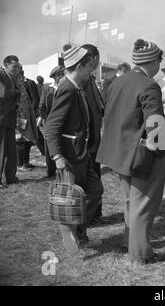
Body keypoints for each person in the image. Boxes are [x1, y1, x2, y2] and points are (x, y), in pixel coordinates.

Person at [97, 38, 165, 264]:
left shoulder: (116, 82)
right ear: (153, 61)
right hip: (141, 155)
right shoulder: (149, 85)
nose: (160, 66)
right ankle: (140, 253)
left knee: (129, 201)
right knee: (143, 204)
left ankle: (128, 241)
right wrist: (159, 152)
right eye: (160, 60)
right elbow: (155, 124)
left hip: (118, 152)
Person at [46, 43, 104, 254]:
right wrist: (57, 156)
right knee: (73, 196)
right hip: (71, 155)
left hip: (83, 151)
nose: (92, 70)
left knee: (95, 191)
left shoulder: (76, 86)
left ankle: (75, 229)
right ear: (80, 66)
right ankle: (71, 229)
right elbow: (51, 126)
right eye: (90, 67)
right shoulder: (68, 89)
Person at [82, 44, 105, 222]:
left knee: (95, 179)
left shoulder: (89, 79)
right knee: (90, 184)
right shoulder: (81, 80)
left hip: (94, 139)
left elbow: (98, 106)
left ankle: (95, 215)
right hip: (86, 142)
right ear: (95, 58)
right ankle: (86, 219)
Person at [37, 65, 65, 177]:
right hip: (50, 120)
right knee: (50, 145)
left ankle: (64, 170)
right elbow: (42, 105)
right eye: (62, 74)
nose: (64, 76)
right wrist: (44, 118)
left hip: (65, 120)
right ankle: (51, 171)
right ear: (57, 77)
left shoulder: (67, 87)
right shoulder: (47, 88)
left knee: (63, 144)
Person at [0, 55, 21, 188]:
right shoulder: (1, 75)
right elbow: (3, 93)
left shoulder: (12, 77)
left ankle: (11, 177)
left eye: (17, 66)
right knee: (1, 150)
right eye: (14, 67)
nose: (16, 69)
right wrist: (17, 91)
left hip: (10, 119)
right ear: (6, 65)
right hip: (1, 118)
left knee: (11, 150)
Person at [14, 65, 38, 171]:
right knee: (20, 140)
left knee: (28, 140)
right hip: (20, 117)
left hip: (27, 116)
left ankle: (25, 162)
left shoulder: (24, 85)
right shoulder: (14, 86)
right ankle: (20, 164)